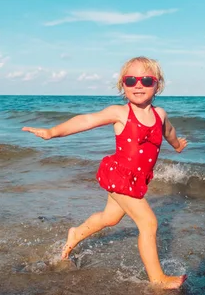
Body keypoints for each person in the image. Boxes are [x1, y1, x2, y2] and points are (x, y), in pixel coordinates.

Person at [22, 56, 188, 289]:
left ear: (157, 85)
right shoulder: (120, 113)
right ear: (123, 84)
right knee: (148, 223)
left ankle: (75, 234)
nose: (138, 85)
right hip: (119, 175)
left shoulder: (160, 114)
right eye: (131, 80)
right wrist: (52, 132)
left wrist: (177, 145)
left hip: (136, 180)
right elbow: (86, 120)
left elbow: (168, 131)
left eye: (146, 80)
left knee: (109, 218)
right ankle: (158, 279)